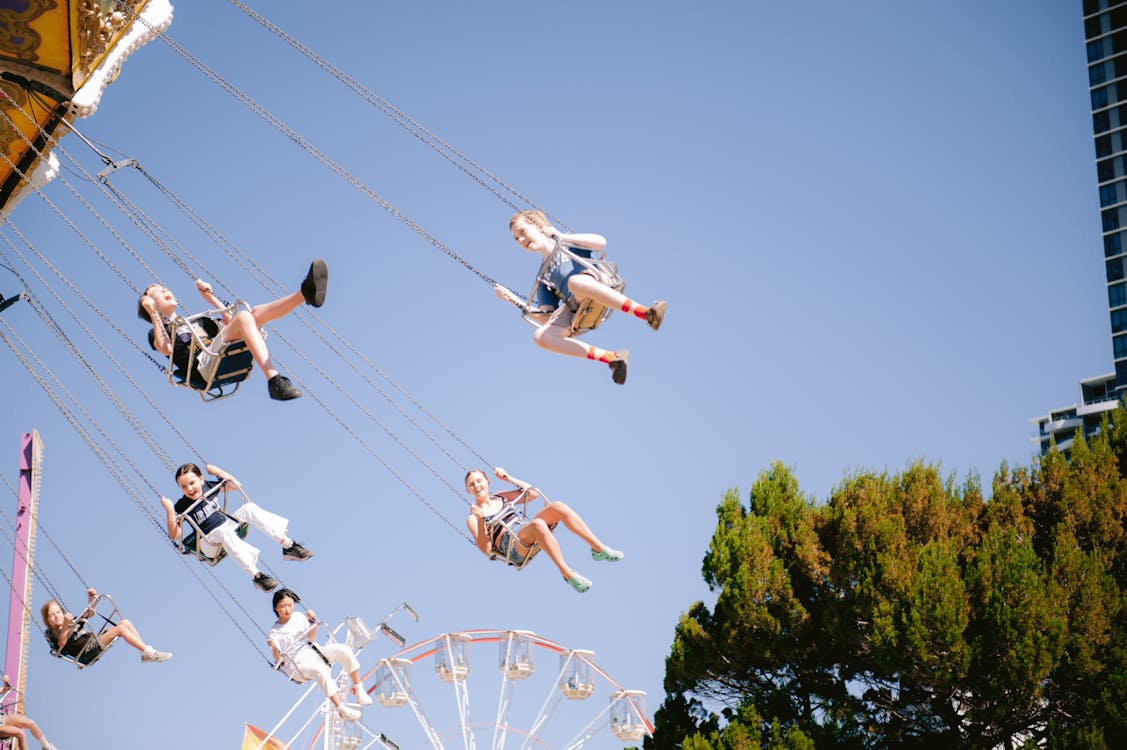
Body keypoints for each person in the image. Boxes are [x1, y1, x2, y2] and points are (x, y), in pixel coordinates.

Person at [494, 210, 666, 385]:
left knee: (575, 282)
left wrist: (561, 236)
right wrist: (513, 300)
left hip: (595, 281)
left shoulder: (567, 243)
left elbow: (600, 242)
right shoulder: (543, 276)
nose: (521, 240)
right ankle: (612, 358)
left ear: (539, 226)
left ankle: (645, 313)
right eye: (516, 239)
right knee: (540, 336)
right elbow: (546, 317)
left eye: (522, 232)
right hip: (578, 307)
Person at [137, 259, 328, 401]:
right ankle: (274, 380)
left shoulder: (200, 321)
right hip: (204, 366)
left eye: (164, 288)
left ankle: (304, 294)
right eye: (157, 291)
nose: (164, 290)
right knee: (245, 317)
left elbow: (231, 324)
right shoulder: (157, 333)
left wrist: (210, 298)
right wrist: (153, 312)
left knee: (254, 313)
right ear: (152, 304)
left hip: (219, 352)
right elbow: (166, 349)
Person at [464, 467, 623, 593]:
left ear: (487, 481)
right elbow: (485, 549)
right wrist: (479, 519)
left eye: (479, 480)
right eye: (472, 484)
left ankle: (598, 549)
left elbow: (533, 493)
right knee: (538, 524)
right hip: (513, 545)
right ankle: (567, 574)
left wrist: (508, 478)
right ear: (468, 491)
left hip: (525, 530)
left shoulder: (500, 497)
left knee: (557, 506)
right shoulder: (474, 517)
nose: (477, 485)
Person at [160, 463, 313, 592]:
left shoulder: (207, 487)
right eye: (184, 486)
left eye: (192, 483)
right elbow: (175, 536)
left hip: (227, 528)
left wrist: (218, 472)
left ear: (201, 479)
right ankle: (256, 576)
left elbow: (235, 485)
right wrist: (170, 511)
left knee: (249, 508)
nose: (189, 489)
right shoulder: (181, 505)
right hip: (209, 542)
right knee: (223, 531)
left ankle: (288, 545)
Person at [267, 588, 371, 723]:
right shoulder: (275, 632)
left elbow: (311, 638)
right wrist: (273, 647)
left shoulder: (298, 616)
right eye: (282, 606)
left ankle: (358, 688)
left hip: (314, 652)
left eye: (290, 605)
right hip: (298, 665)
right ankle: (341, 708)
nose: (287, 609)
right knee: (319, 669)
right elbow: (278, 659)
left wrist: (311, 621)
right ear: (276, 608)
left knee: (343, 649)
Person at [40, 588, 171, 665]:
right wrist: (66, 625)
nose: (56, 616)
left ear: (63, 613)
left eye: (58, 612)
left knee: (125, 623)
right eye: (51, 615)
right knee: (120, 629)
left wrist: (91, 599)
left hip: (93, 641)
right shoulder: (53, 633)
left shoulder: (71, 622)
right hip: (86, 651)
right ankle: (149, 652)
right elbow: (61, 643)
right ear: (47, 620)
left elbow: (89, 613)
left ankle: (145, 652)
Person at [0, 676, 58, 750]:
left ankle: (46, 746)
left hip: (1, 719)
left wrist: (6, 682)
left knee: (30, 723)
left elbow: (5, 689)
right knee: (20, 733)